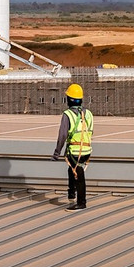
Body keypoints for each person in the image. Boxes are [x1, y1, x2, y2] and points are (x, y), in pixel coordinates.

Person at [51, 84, 93, 212]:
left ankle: (81, 202)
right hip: (86, 150)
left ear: (69, 100)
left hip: (75, 151)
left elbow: (62, 135)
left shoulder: (68, 114)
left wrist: (56, 153)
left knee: (78, 175)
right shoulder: (89, 114)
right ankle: (71, 193)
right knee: (72, 169)